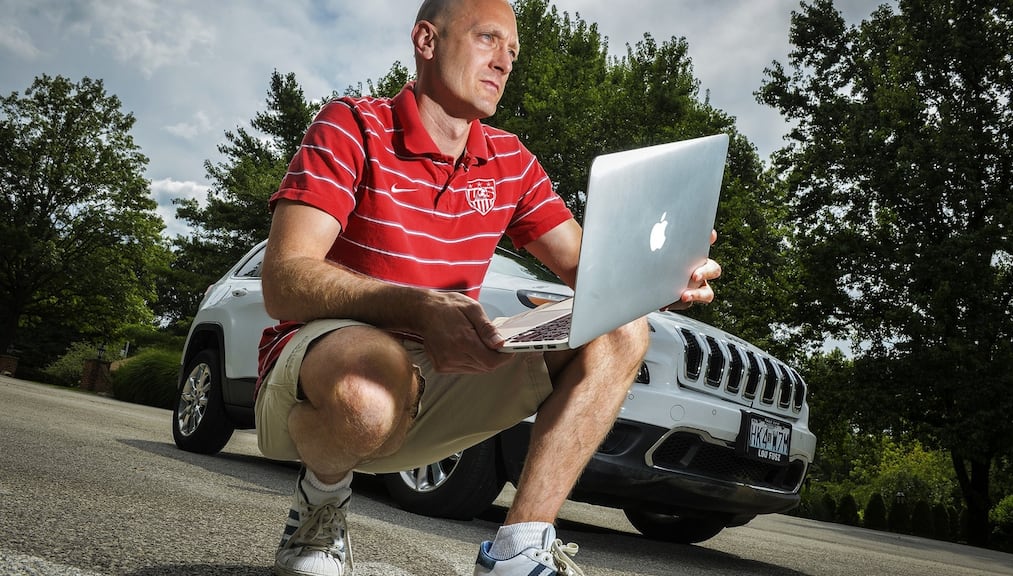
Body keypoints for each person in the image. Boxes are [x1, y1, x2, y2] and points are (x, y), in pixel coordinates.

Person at [254, 0, 722, 574]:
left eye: (513, 52)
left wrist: (659, 280)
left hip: (444, 373)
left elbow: (595, 275)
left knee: (623, 328)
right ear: (427, 40)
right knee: (371, 378)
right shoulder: (351, 124)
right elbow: (284, 279)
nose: (504, 62)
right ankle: (320, 509)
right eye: (488, 39)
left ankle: (519, 549)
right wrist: (419, 307)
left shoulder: (511, 161)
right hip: (337, 373)